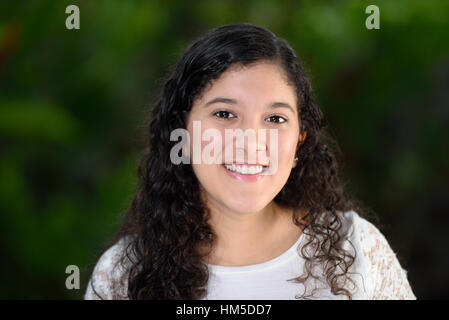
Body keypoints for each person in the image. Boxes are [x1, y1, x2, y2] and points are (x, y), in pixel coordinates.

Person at [84, 23, 416, 300]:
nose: (250, 141)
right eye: (225, 114)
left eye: (275, 119)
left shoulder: (355, 251)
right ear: (181, 131)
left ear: (301, 139)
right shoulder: (123, 275)